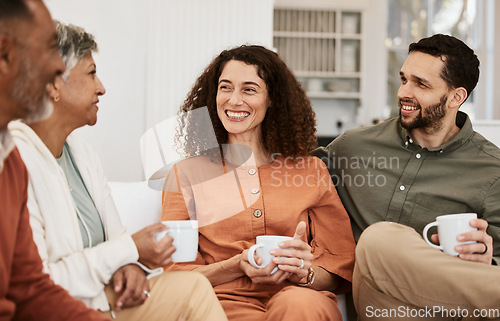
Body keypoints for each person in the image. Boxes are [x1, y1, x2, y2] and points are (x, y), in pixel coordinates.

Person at [9, 21, 227, 321]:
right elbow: (38, 282)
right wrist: (130, 251)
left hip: (104, 300)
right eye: (91, 73)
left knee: (194, 289)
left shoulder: (84, 155)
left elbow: (117, 242)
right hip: (50, 308)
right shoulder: (13, 161)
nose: (101, 87)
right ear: (53, 83)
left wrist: (131, 267)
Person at [161, 44, 356, 321]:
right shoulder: (187, 174)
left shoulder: (311, 170)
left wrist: (305, 272)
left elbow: (340, 267)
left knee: (300, 306)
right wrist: (235, 266)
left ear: (272, 98)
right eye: (225, 87)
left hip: (300, 299)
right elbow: (173, 275)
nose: (234, 100)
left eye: (249, 89)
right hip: (222, 302)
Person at [315, 34, 500, 320]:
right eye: (404, 79)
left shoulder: (492, 170)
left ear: (456, 97)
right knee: (378, 239)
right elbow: (293, 174)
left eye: (421, 84)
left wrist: (488, 260)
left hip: (451, 309)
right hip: (377, 302)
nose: (404, 92)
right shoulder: (352, 147)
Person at [0, 1, 110, 320]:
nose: (59, 68)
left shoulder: (11, 162)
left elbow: (30, 288)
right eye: (49, 49)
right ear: (5, 54)